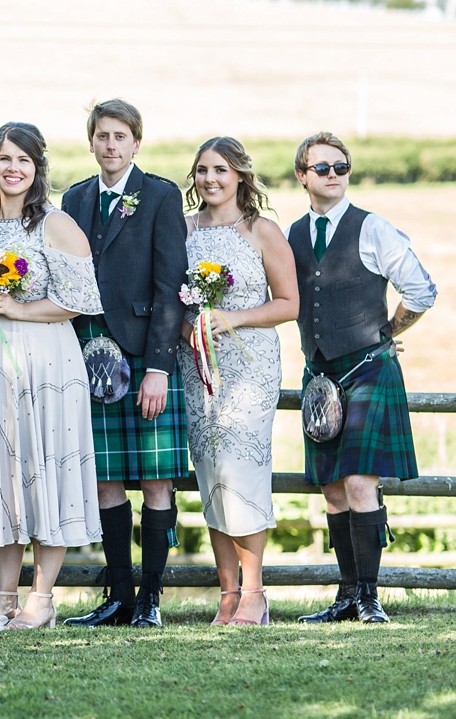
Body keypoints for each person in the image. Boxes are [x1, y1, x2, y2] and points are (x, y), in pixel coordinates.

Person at [287, 132, 436, 624]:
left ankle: (369, 597)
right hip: (320, 374)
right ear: (302, 176)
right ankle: (345, 595)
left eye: (341, 167)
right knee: (331, 487)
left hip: (369, 368)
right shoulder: (292, 234)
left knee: (356, 482)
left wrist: (387, 332)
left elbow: (421, 289)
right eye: (322, 167)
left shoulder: (373, 228)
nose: (333, 174)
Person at [0, 123, 104, 630]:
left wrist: (19, 310)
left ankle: (41, 599)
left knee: (49, 469)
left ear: (37, 168)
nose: (13, 168)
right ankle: (2, 599)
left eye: (23, 160)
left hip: (46, 360)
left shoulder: (54, 224)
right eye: (4, 158)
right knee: (4, 472)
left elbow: (83, 300)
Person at [61, 99, 189, 628]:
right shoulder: (73, 198)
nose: (110, 145)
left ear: (136, 142)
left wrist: (158, 367)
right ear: (91, 142)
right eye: (102, 136)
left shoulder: (159, 195)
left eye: (120, 136)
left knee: (157, 480)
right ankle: (120, 598)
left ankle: (152, 600)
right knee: (105, 479)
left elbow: (170, 288)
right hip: (89, 353)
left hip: (143, 352)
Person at [175, 137, 298, 626]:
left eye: (220, 170)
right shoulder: (182, 231)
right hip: (198, 364)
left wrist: (234, 318)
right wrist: (189, 329)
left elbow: (288, 304)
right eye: (202, 170)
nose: (210, 179)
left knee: (239, 467)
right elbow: (174, 301)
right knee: (211, 470)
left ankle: (254, 592)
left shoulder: (261, 231)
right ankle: (227, 594)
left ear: (241, 176)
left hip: (251, 367)